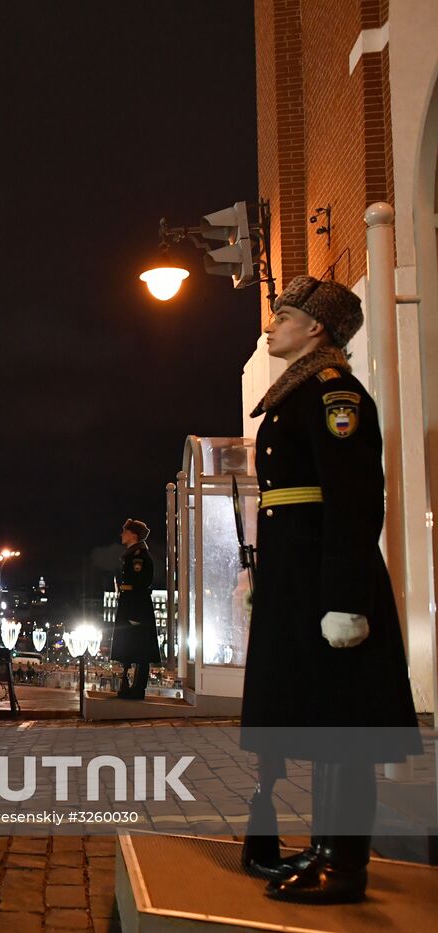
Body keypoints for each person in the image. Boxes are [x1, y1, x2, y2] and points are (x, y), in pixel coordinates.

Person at [240, 275, 420, 904]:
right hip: (301, 573)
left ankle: (345, 864)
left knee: (343, 722)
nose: (270, 324)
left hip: (326, 576)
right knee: (323, 715)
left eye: (281, 314)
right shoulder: (300, 393)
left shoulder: (332, 394)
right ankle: (324, 848)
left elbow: (352, 501)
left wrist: (345, 598)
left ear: (315, 327)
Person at [110, 518, 158, 699]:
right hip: (131, 605)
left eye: (125, 531)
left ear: (133, 534)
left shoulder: (138, 556)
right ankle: (131, 687)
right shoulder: (133, 555)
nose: (122, 534)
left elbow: (140, 585)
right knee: (133, 647)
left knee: (140, 648)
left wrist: (134, 614)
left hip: (136, 607)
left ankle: (138, 689)